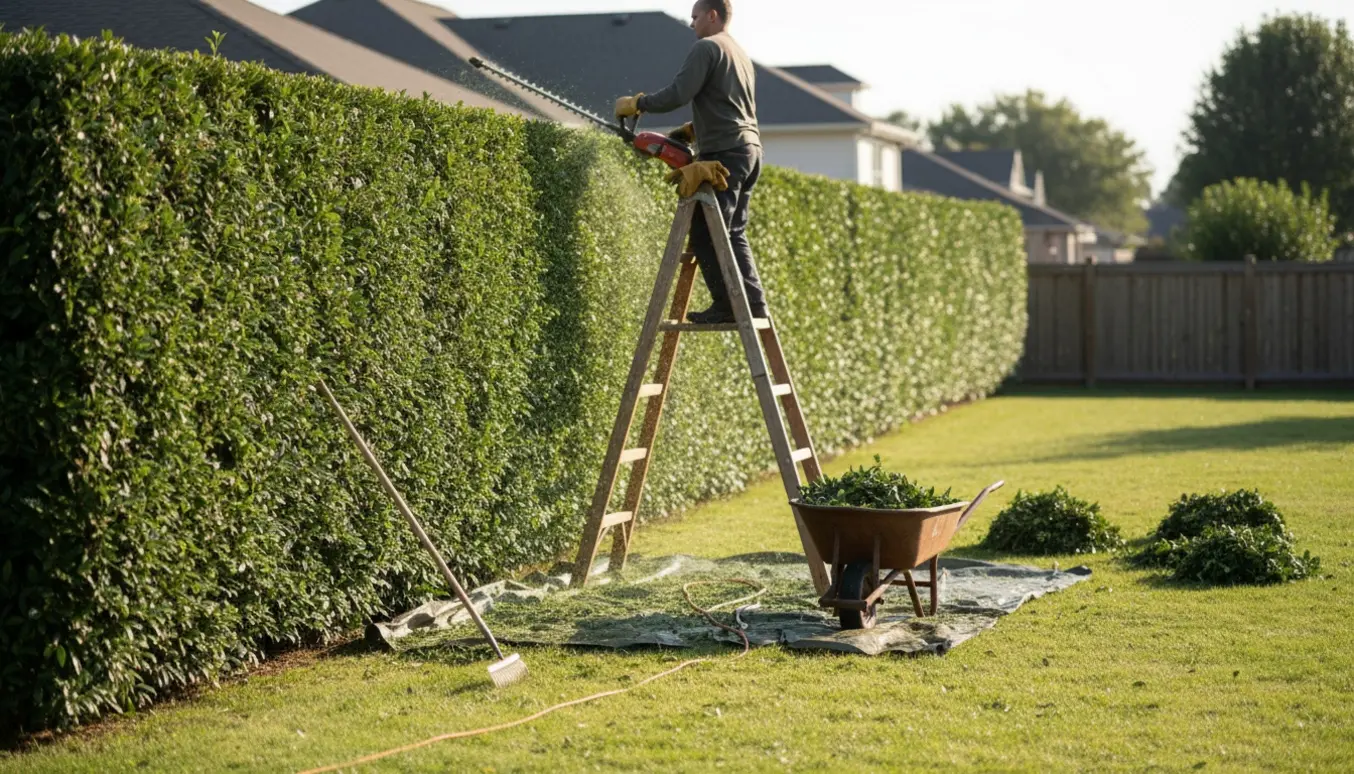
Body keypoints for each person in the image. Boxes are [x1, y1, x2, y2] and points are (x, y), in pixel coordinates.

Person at [613, 0, 768, 324]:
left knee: (705, 231)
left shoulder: (707, 47)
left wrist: (639, 103)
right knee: (734, 232)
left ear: (713, 15)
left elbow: (679, 94)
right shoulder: (740, 54)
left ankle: (727, 306)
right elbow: (731, 105)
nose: (691, 23)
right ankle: (754, 304)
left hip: (725, 153)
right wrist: (693, 131)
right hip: (750, 151)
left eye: (696, 17)